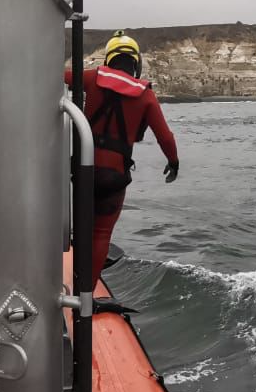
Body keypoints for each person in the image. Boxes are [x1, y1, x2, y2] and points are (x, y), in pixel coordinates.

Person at [69, 31, 178, 282]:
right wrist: (173, 163)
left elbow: (58, 77)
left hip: (83, 170)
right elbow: (165, 137)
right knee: (101, 233)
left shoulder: (93, 77)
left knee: (81, 227)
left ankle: (67, 275)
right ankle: (86, 292)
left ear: (109, 59)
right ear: (136, 62)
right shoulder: (145, 94)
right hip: (114, 176)